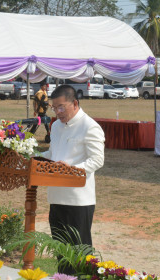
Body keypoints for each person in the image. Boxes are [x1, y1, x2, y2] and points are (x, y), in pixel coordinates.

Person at [41, 84, 105, 274]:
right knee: (61, 252)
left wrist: (73, 170)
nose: (58, 112)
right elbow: (53, 153)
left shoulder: (89, 126)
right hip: (56, 196)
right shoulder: (56, 126)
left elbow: (97, 160)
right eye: (54, 108)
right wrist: (32, 154)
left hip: (78, 200)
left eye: (61, 107)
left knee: (80, 252)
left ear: (75, 103)